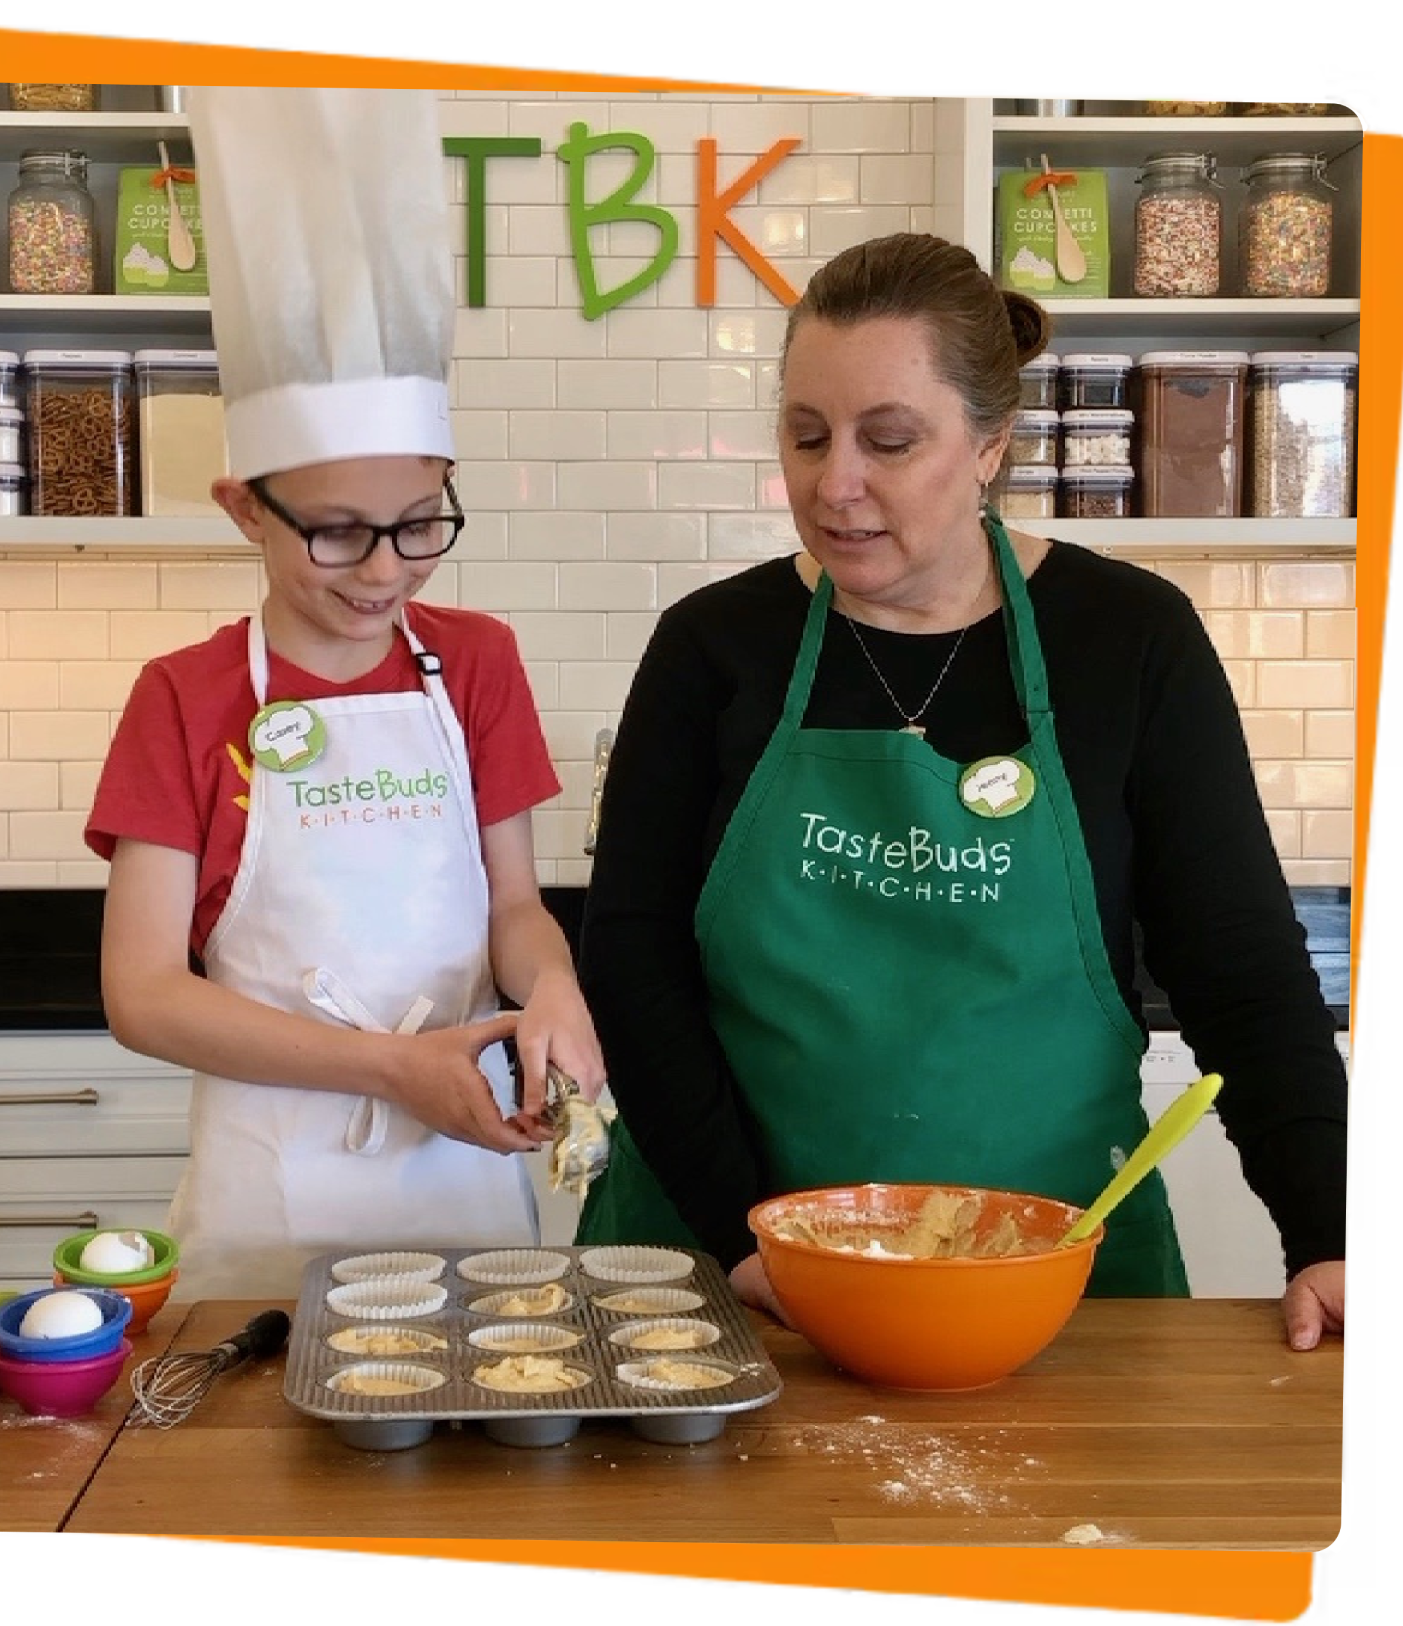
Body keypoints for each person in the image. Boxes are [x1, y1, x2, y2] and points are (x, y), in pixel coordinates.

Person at [572, 232, 1347, 1352]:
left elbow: (1239, 965)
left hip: (1042, 1293)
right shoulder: (715, 647)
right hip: (725, 1291)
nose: (835, 484)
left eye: (889, 441)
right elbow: (631, 958)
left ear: (991, 444)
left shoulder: (1127, 641)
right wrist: (748, 1247)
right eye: (805, 436)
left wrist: (1322, 1228)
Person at [84, 87, 604, 1305]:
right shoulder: (183, 696)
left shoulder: (474, 661)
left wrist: (559, 987)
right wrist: (387, 1067)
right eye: (336, 534)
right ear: (241, 509)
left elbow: (512, 907)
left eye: (421, 524)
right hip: (272, 1201)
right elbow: (144, 992)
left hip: (470, 1182)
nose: (386, 571)